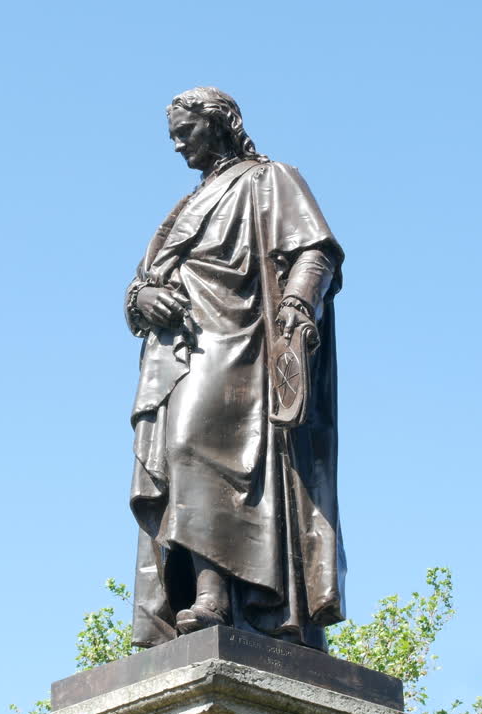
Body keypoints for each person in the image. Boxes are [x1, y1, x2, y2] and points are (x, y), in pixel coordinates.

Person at [125, 87, 346, 651]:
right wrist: (142, 298)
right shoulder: (184, 206)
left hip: (241, 340)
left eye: (185, 132)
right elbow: (142, 282)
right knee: (176, 461)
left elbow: (316, 251)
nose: (178, 145)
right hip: (178, 351)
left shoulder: (270, 179)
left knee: (193, 447)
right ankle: (207, 595)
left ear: (219, 123)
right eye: (172, 136)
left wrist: (297, 306)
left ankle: (217, 597)